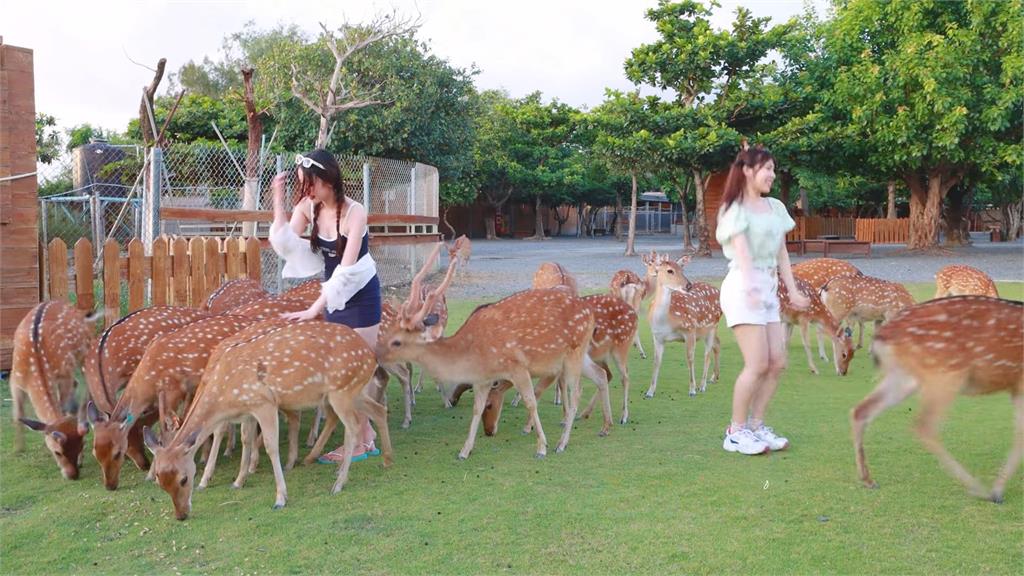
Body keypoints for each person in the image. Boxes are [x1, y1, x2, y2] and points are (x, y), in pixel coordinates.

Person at [269, 149, 382, 463]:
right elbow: (284, 243)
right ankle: (366, 437)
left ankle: (359, 442)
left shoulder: (354, 212)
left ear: (329, 181)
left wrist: (313, 308)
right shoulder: (308, 206)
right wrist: (279, 198)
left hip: (360, 294)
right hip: (334, 295)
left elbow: (346, 271)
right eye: (304, 185)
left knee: (356, 370)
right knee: (341, 371)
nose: (308, 191)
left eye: (312, 184)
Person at [715, 145, 809, 455]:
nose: (771, 174)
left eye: (772, 168)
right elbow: (741, 249)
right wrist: (753, 286)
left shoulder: (776, 208)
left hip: (767, 288)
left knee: (777, 362)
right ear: (747, 171)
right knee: (756, 364)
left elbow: (781, 251)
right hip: (744, 287)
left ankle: (756, 426)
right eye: (765, 168)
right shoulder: (733, 209)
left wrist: (792, 290)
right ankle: (735, 431)